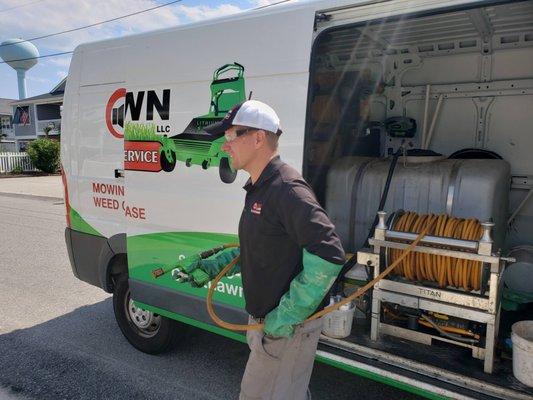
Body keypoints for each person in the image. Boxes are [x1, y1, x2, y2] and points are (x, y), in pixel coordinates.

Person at [181, 100, 345, 400]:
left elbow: (329, 254)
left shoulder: (287, 188)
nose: (225, 145)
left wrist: (286, 316)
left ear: (259, 138)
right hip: (268, 325)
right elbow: (269, 247)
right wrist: (220, 263)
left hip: (286, 330)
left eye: (232, 136)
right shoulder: (259, 186)